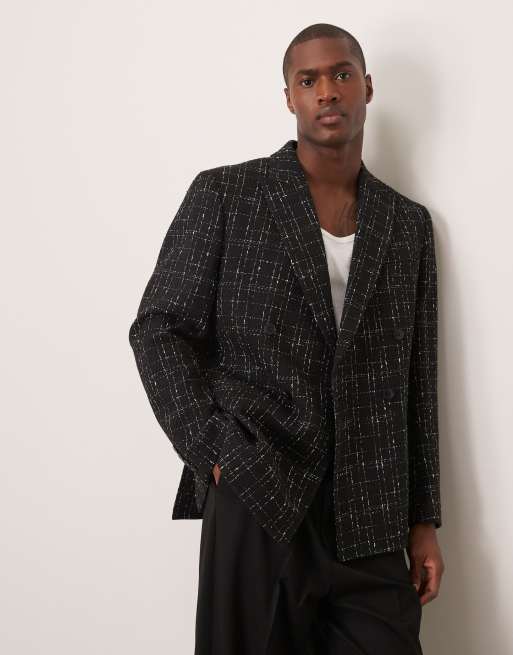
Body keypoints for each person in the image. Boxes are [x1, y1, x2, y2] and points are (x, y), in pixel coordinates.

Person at [128, 22, 445, 655]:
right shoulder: (227, 194)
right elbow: (158, 329)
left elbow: (418, 380)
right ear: (289, 97)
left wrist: (423, 518)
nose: (327, 90)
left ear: (367, 87)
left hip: (371, 512)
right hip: (258, 495)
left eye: (342, 74)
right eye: (309, 79)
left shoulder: (406, 224)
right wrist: (215, 450)